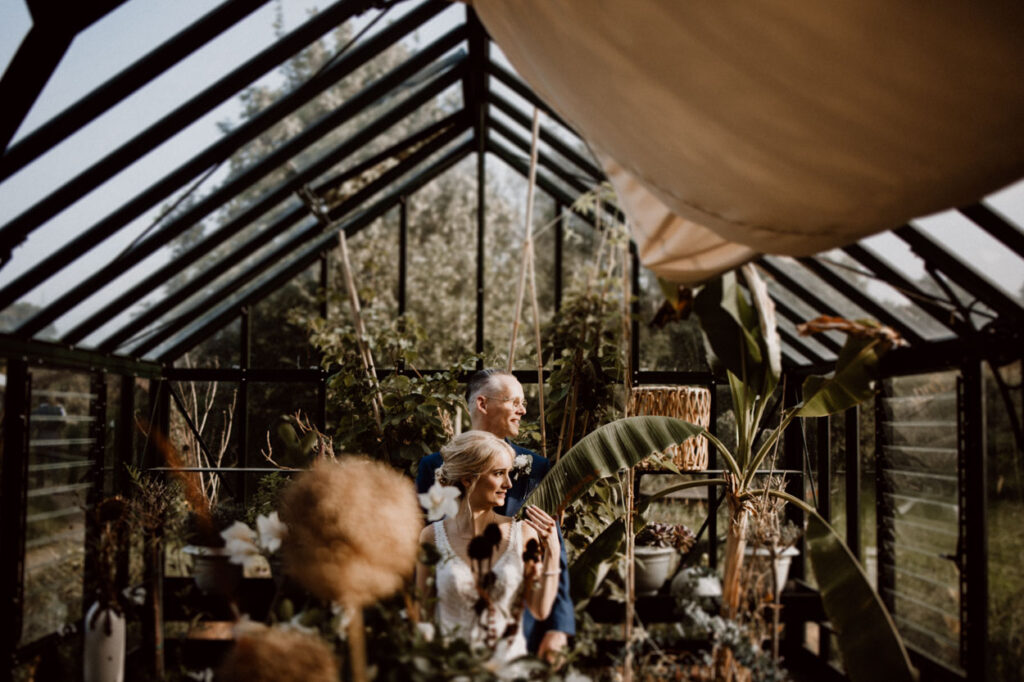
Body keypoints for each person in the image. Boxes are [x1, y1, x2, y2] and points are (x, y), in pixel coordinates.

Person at [416, 368, 574, 661]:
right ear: (483, 403)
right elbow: (430, 548)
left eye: (523, 403)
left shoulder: (536, 468)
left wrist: (559, 626)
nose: (523, 410)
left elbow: (554, 547)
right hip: (453, 630)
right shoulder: (434, 467)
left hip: (521, 628)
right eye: (514, 402)